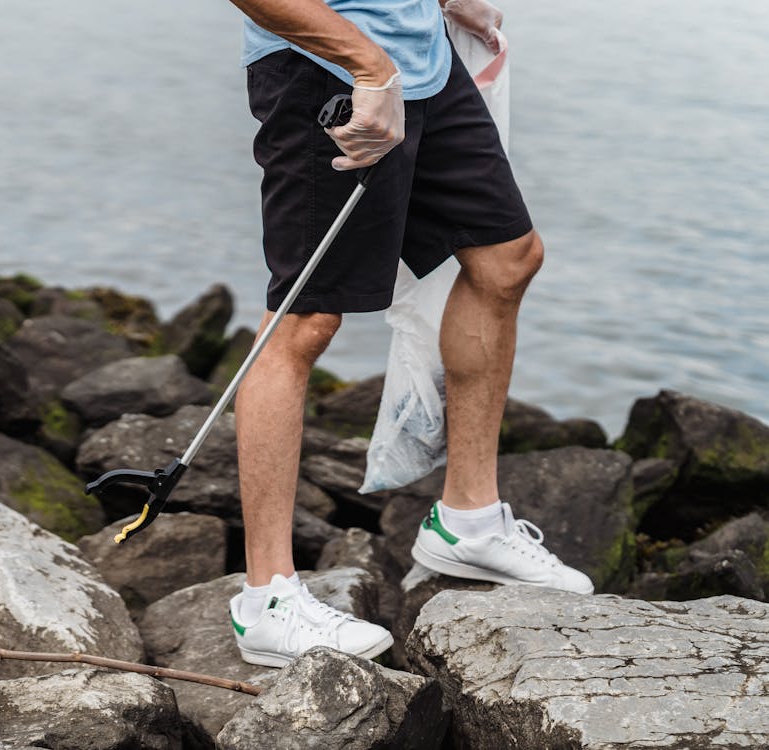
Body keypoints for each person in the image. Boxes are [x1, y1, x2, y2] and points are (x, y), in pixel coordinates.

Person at [224, 0, 594, 668]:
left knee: (507, 257)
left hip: (422, 64)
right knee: (304, 320)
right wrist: (367, 65)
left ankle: (468, 522)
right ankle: (267, 600)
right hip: (327, 70)